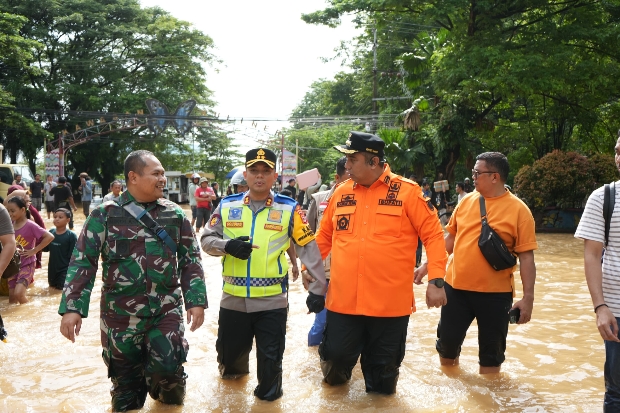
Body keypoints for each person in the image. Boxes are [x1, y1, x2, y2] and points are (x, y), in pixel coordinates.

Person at [58, 150, 207, 412]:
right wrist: (72, 308)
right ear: (133, 177)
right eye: (156, 173)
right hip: (119, 316)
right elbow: (83, 262)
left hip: (165, 310)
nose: (162, 179)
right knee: (126, 390)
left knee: (170, 371)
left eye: (163, 173)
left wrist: (195, 301)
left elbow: (190, 259)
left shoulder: (175, 215)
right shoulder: (103, 215)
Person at [315, 131, 447, 394]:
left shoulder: (408, 192)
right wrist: (309, 269)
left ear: (373, 162)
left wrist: (437, 280)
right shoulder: (341, 193)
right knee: (335, 366)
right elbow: (324, 237)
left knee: (382, 382)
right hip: (343, 302)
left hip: (389, 307)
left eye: (352, 160)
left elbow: (434, 236)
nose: (346, 166)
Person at [201, 147, 327, 401]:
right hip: (232, 301)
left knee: (270, 374)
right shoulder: (226, 206)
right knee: (230, 370)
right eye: (254, 171)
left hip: (272, 302)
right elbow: (205, 240)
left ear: (275, 176)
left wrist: (318, 290)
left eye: (265, 171)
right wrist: (228, 246)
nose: (259, 176)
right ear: (245, 175)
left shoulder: (289, 209)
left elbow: (308, 247)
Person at [416, 151, 537, 374]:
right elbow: (450, 239)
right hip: (455, 290)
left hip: (495, 295)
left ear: (495, 177)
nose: (472, 176)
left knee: (491, 358)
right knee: (447, 349)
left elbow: (527, 257)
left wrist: (528, 298)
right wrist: (428, 265)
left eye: (477, 172)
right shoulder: (466, 202)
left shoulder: (520, 211)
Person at [575, 134, 620, 410]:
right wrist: (600, 307)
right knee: (616, 390)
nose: (619, 156)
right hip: (616, 311)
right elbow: (591, 255)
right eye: (617, 150)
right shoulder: (604, 197)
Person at [304, 156, 347, 346]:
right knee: (320, 323)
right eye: (349, 176)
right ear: (338, 178)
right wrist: (306, 268)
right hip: (323, 273)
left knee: (346, 326)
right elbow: (307, 237)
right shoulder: (319, 200)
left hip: (352, 275)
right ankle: (312, 361)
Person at [6, 196, 53, 304]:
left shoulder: (30, 225)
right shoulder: (10, 225)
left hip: (27, 263)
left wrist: (34, 250)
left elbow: (49, 236)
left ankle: (31, 313)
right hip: (13, 264)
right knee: (12, 298)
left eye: (13, 211)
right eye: (8, 211)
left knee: (19, 293)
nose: (10, 213)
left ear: (23, 210)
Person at [43, 208, 77, 290]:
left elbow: (74, 256)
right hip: (52, 269)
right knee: (52, 289)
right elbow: (45, 248)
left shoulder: (71, 236)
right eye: (55, 217)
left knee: (61, 291)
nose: (57, 219)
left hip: (65, 269)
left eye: (60, 217)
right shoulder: (51, 232)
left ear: (68, 220)